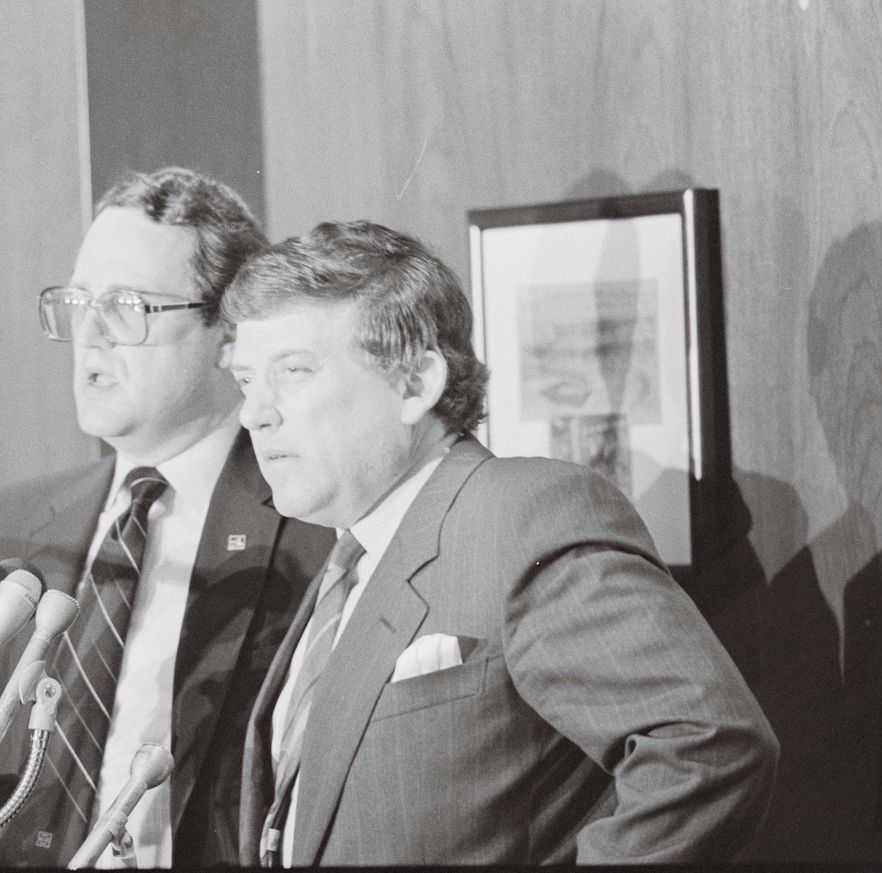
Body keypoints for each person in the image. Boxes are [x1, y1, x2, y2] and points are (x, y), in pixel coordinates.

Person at [223, 219, 780, 865]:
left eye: (293, 370)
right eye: (244, 380)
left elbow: (708, 745)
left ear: (415, 384)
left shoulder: (521, 515)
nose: (255, 411)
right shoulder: (349, 556)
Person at [0, 168, 331, 867]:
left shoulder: (311, 527)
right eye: (79, 301)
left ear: (227, 333)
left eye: (127, 305)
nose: (89, 335)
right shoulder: (7, 522)